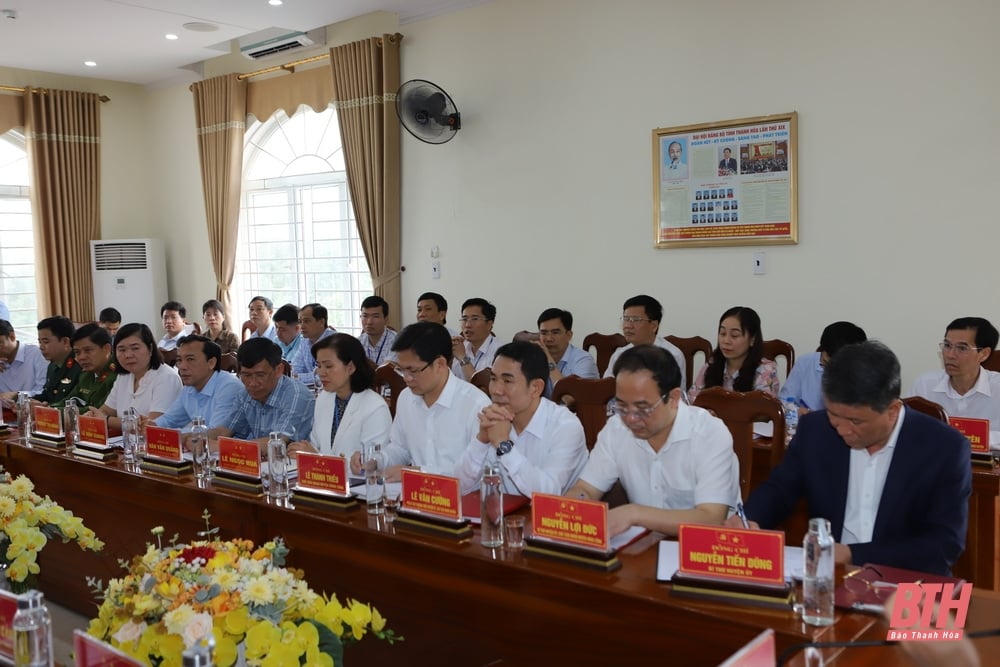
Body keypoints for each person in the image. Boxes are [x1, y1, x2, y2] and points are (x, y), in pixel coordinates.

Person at [737, 341, 971, 576]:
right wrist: (750, 520)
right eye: (834, 416)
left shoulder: (944, 448)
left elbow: (944, 545)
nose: (843, 430)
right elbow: (780, 489)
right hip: (832, 579)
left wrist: (853, 554)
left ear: (892, 410)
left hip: (908, 583)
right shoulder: (816, 430)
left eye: (856, 421)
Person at [566, 345, 739, 537]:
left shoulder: (709, 433)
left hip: (704, 548)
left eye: (643, 408)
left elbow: (712, 518)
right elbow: (586, 488)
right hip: (642, 545)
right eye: (621, 406)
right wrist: (576, 502)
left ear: (673, 398)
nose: (630, 419)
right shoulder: (616, 429)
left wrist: (635, 513)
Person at [456, 341, 587, 496]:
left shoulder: (565, 426)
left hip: (553, 518)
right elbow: (460, 487)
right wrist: (481, 440)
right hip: (505, 516)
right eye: (493, 378)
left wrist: (504, 446)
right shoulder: (492, 418)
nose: (496, 390)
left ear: (536, 388)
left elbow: (548, 493)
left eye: (507, 381)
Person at [379, 322, 491, 479]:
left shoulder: (476, 405)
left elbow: (477, 472)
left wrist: (417, 472)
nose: (406, 378)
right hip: (414, 497)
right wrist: (377, 460)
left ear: (440, 364)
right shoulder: (406, 397)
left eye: (412, 370)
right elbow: (400, 448)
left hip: (462, 498)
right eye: (401, 370)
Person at [290, 333, 391, 459]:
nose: (321, 373)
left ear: (350, 367)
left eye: (328, 366)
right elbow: (316, 445)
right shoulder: (323, 398)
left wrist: (316, 457)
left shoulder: (375, 407)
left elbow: (372, 464)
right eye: (319, 366)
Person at [211, 338, 315, 445]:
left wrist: (219, 446)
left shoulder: (296, 395)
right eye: (246, 375)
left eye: (260, 375)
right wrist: (198, 438)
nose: (253, 383)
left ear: (279, 370)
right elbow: (224, 431)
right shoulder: (245, 394)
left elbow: (277, 443)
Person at [910, 317, 1000, 440]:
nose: (950, 355)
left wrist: (972, 439)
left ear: (984, 354)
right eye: (947, 345)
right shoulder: (924, 385)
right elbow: (907, 429)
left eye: (962, 348)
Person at [88, 322, 182, 429]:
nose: (128, 355)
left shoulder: (167, 377)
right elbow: (105, 410)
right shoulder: (124, 376)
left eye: (135, 348)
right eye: (122, 350)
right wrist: (93, 415)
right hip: (126, 442)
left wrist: (106, 420)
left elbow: (151, 426)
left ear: (150, 349)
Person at [687, 306, 779, 402]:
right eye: (722, 333)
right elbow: (692, 401)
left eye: (734, 335)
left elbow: (763, 411)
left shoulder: (766, 370)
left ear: (752, 339)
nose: (726, 341)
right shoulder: (711, 365)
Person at [151, 335, 242, 431]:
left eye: (190, 359)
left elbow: (214, 433)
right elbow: (169, 421)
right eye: (179, 360)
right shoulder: (189, 388)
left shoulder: (229, 387)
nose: (182, 366)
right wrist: (149, 425)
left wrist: (179, 435)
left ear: (211, 363)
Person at [604, 294, 687, 391]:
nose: (627, 326)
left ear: (654, 326)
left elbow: (673, 397)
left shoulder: (672, 355)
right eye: (626, 319)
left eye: (635, 320)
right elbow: (606, 390)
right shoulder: (619, 355)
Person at [779, 321, 867, 412]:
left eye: (835, 367)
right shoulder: (805, 362)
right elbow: (784, 400)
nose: (828, 370)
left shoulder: (864, 376)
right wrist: (797, 411)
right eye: (824, 362)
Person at [534, 307, 599, 397]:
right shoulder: (533, 358)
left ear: (569, 335)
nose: (549, 339)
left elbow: (571, 399)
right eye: (544, 333)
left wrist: (548, 359)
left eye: (555, 332)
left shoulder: (584, 360)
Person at [54, 323, 117, 409]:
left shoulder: (117, 376)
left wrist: (54, 412)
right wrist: (48, 408)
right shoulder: (85, 376)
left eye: (88, 350)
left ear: (107, 349)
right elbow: (68, 401)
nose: (81, 357)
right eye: (77, 352)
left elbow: (96, 412)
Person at [32, 316, 81, 405]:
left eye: (46, 342)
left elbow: (75, 401)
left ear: (65, 342)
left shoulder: (80, 364)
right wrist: (28, 401)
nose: (41, 347)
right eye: (40, 342)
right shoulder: (52, 366)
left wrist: (47, 408)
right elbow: (47, 395)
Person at [451, 298, 501, 380]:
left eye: (475, 319)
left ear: (489, 324)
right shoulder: (460, 347)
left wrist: (463, 358)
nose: (467, 325)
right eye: (464, 319)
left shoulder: (500, 352)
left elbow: (482, 389)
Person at [291, 303, 336, 385]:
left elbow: (324, 376)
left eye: (307, 321)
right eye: (300, 322)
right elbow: (295, 370)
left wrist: (298, 377)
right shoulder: (304, 341)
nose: (302, 326)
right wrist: (312, 376)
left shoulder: (335, 341)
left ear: (321, 322)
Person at [0, 319, 47, 395]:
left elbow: (43, 391)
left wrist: (16, 395)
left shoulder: (36, 354)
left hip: (33, 405)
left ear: (12, 337)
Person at [359, 295, 397, 365]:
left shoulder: (397, 341)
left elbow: (387, 371)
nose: (369, 322)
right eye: (365, 316)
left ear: (386, 319)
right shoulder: (359, 342)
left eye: (375, 316)